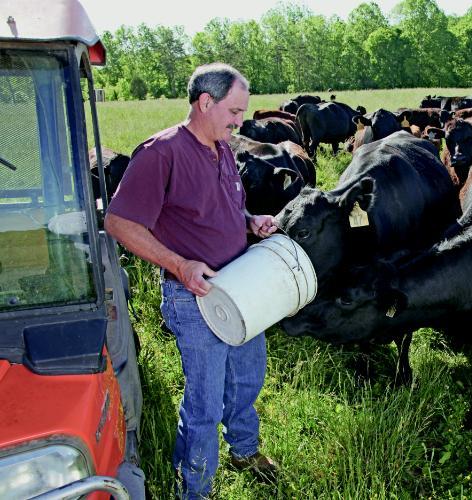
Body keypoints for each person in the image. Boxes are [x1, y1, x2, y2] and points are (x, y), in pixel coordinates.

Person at [104, 63, 278, 498]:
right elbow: (119, 223)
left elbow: (216, 207)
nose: (240, 121)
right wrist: (181, 265)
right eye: (234, 111)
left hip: (241, 288)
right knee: (204, 401)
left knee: (247, 377)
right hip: (194, 297)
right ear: (205, 102)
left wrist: (249, 220)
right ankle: (194, 488)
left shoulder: (223, 147)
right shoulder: (161, 153)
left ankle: (243, 448)